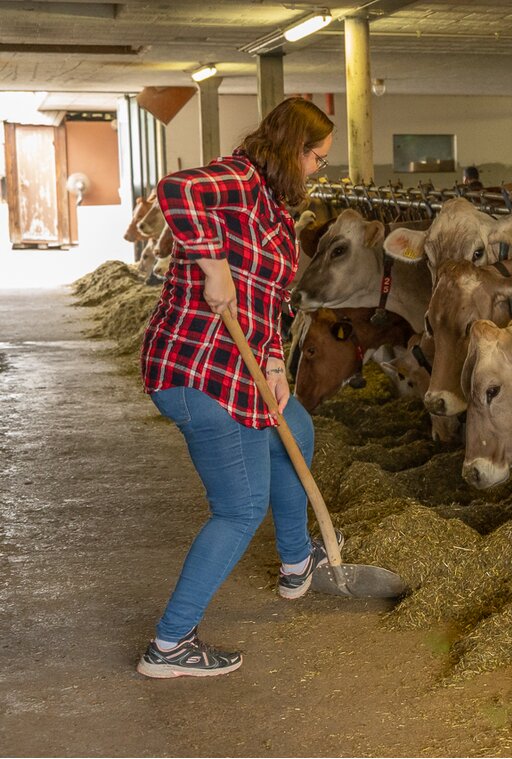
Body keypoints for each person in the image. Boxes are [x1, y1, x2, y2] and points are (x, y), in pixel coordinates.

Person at [136, 97, 336, 679]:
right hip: (195, 367)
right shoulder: (240, 178)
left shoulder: (275, 206)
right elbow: (175, 189)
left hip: (241, 366)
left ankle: (297, 562)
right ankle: (170, 645)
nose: (318, 171)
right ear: (293, 150)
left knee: (293, 427)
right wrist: (211, 262)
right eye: (317, 159)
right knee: (241, 506)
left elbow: (268, 298)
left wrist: (275, 362)